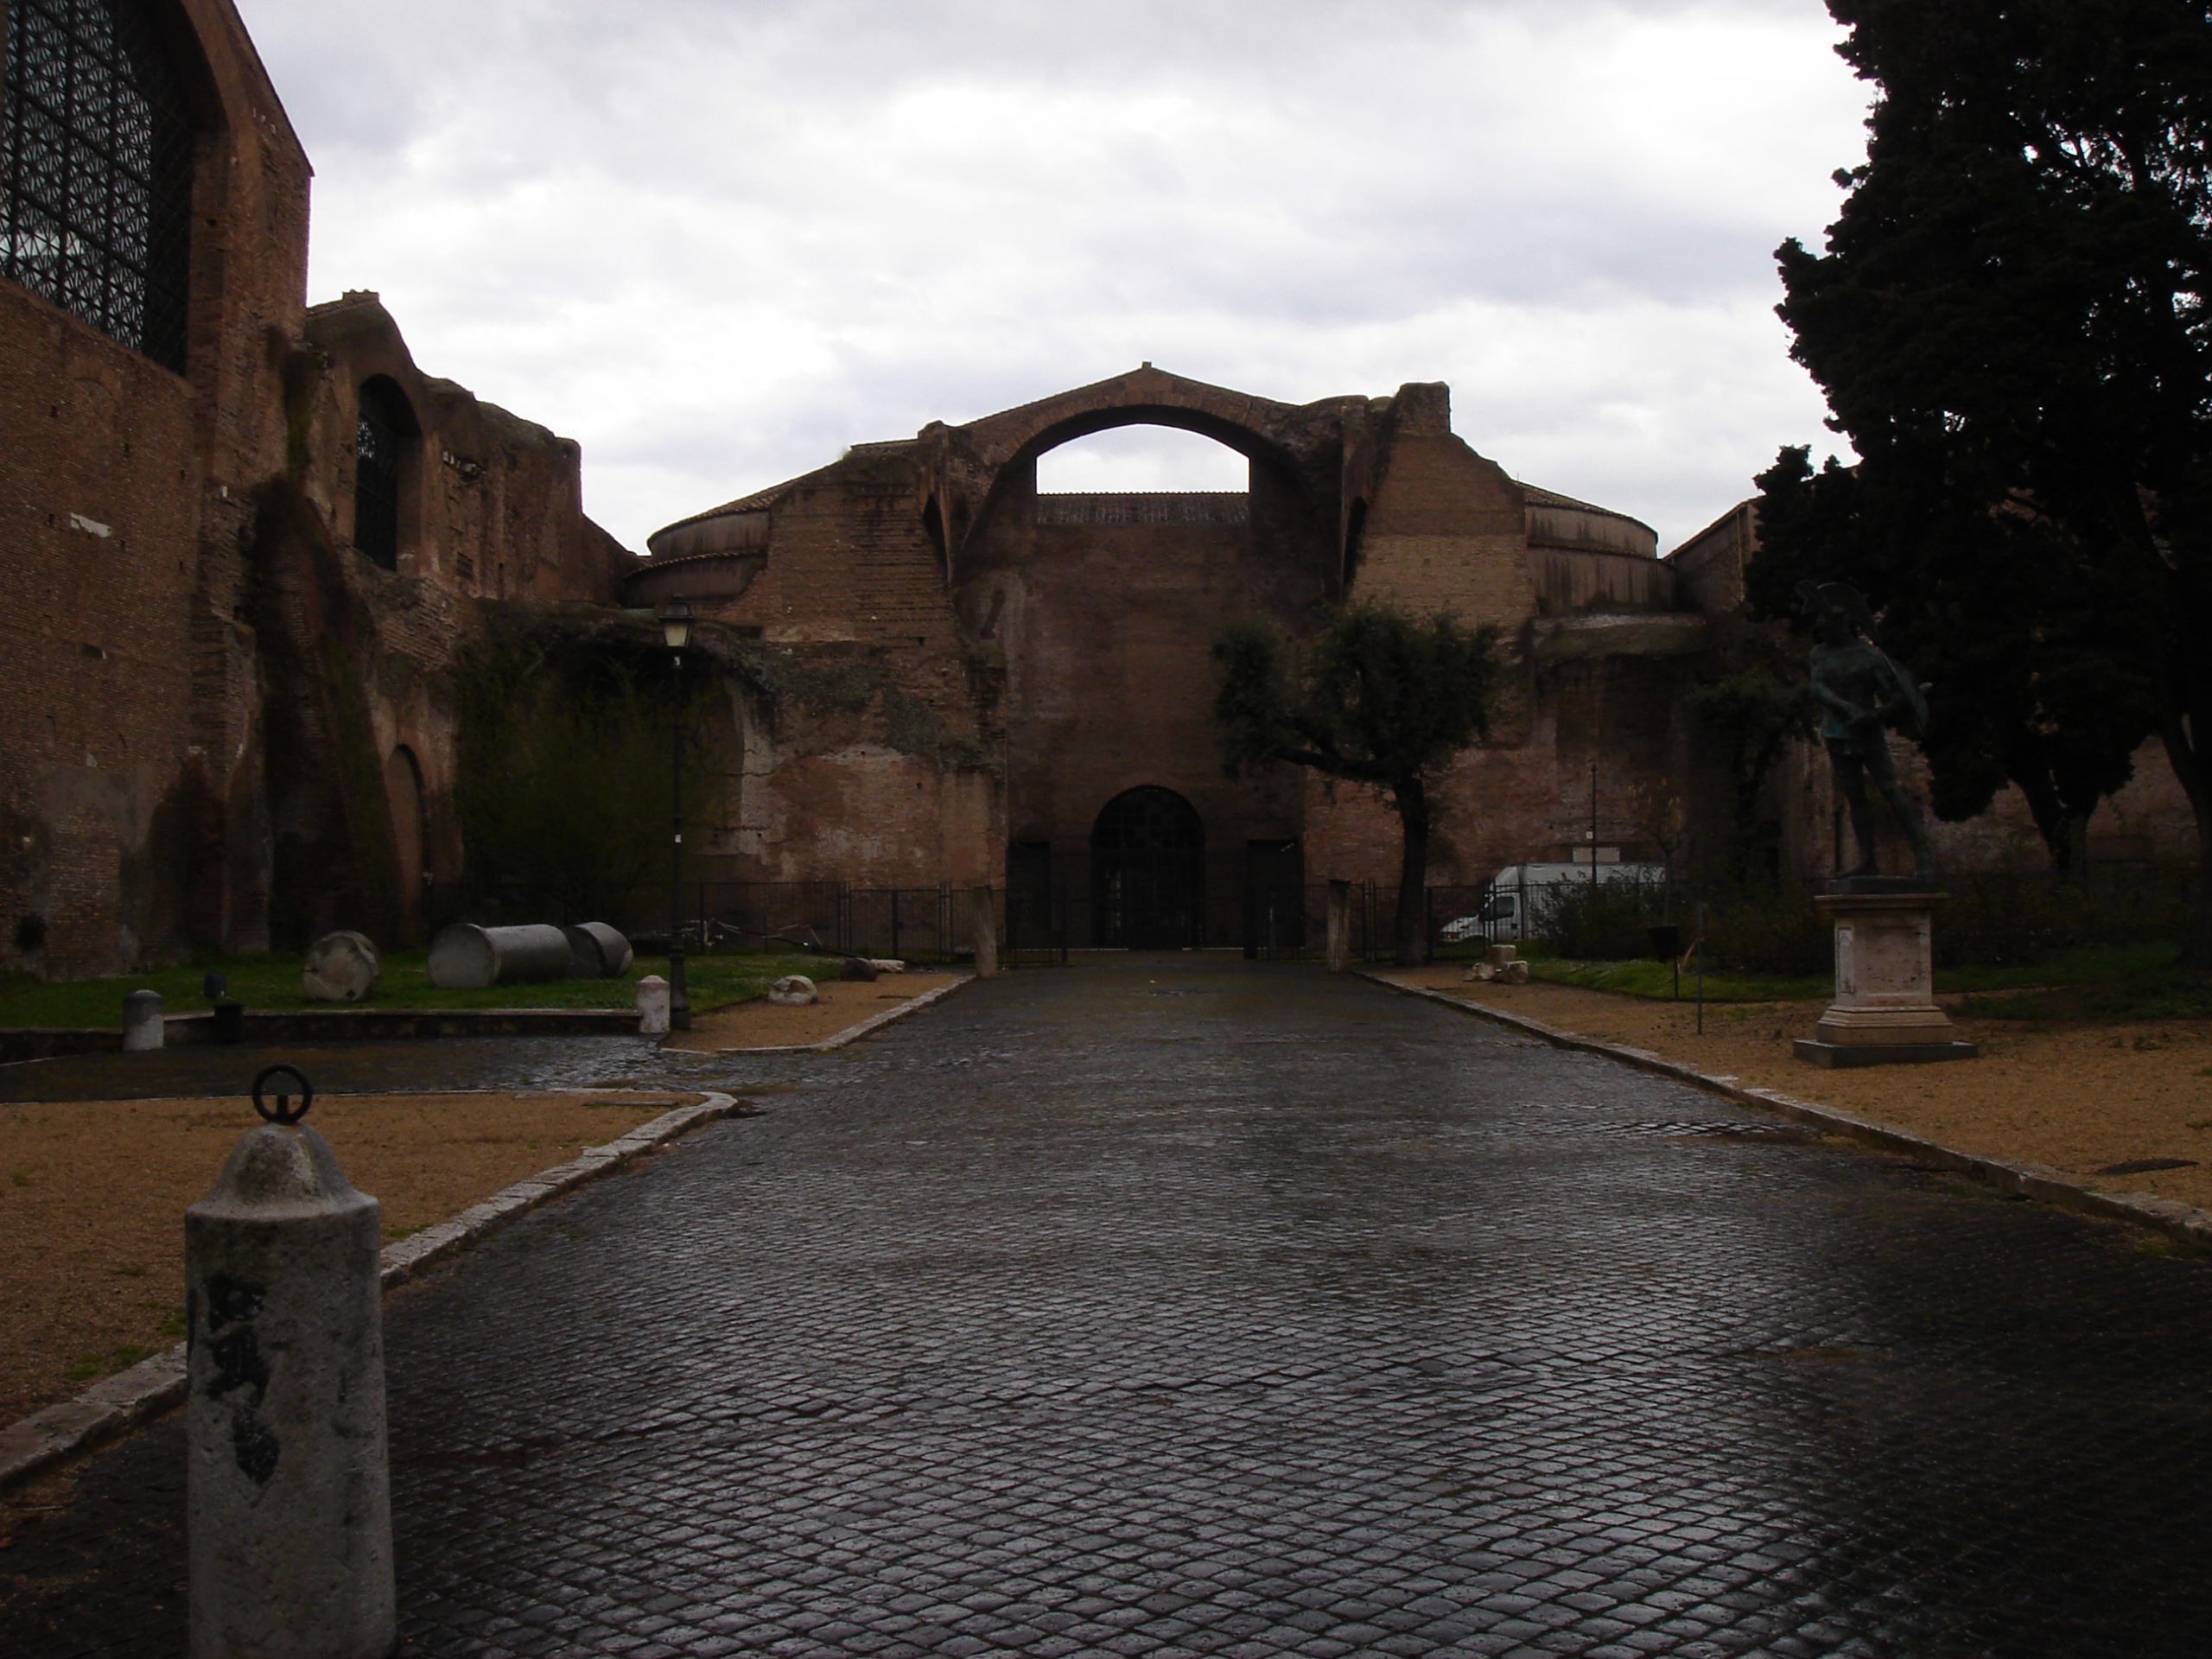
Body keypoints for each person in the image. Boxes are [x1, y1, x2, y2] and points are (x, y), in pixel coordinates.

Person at [1797, 581, 1933, 880]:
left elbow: (1894, 696)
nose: (1821, 629)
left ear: (1844, 623)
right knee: (1854, 798)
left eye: (1826, 623)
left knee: (1890, 790)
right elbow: (1818, 687)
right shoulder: (1820, 654)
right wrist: (1848, 710)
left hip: (1868, 733)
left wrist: (1874, 716)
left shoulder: (1870, 657)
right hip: (1837, 731)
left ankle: (1923, 857)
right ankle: (1867, 861)